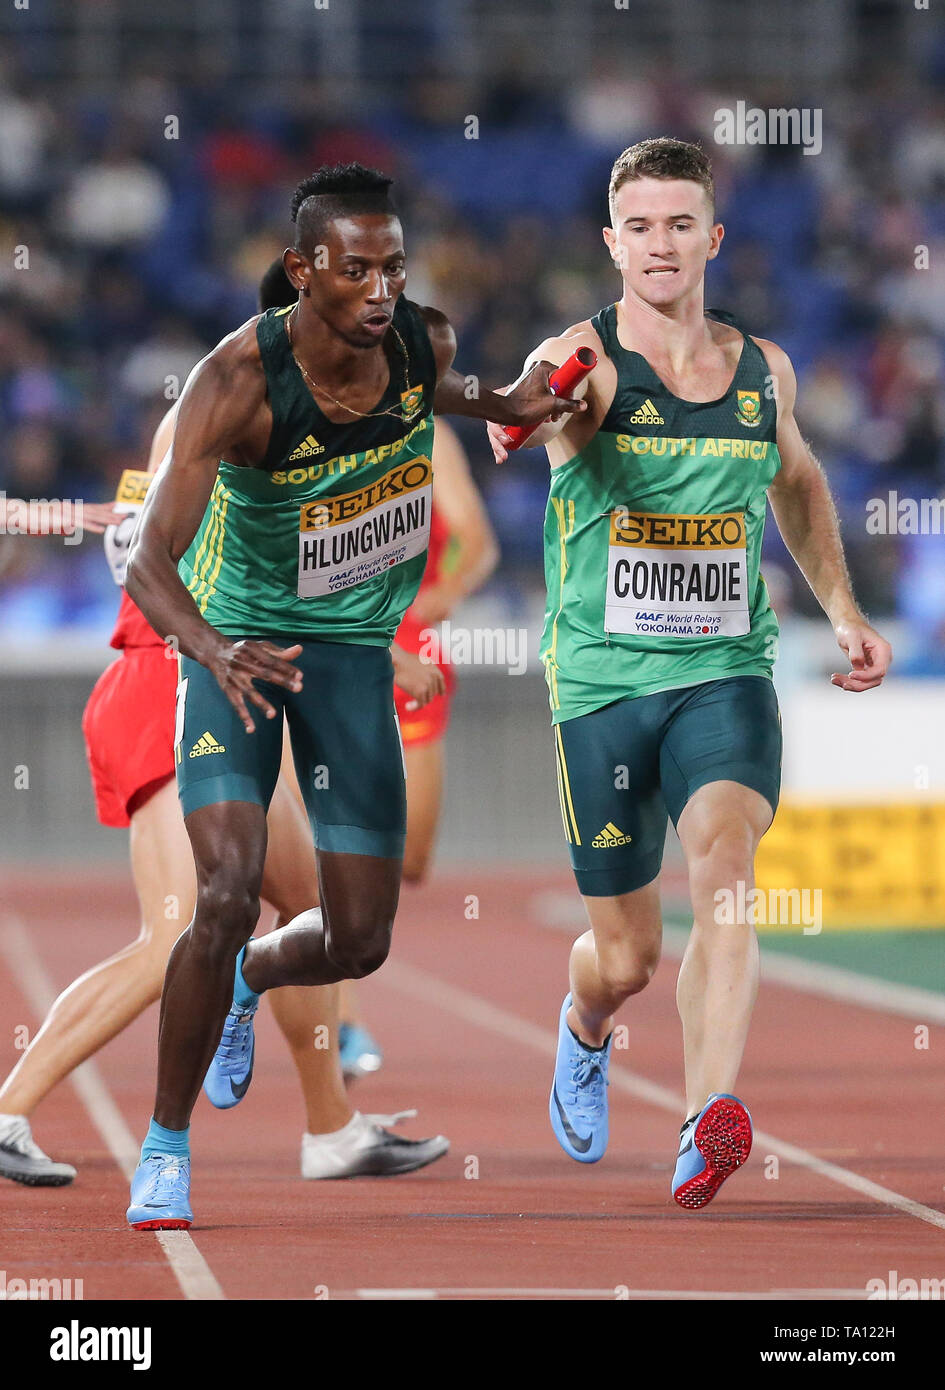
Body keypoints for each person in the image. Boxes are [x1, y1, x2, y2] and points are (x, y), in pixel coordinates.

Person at [122, 162, 580, 1228]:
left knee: (362, 936)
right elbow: (148, 561)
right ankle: (166, 1146)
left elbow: (456, 395)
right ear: (300, 272)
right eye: (357, 270)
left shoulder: (422, 340)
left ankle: (249, 980)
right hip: (240, 646)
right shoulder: (235, 382)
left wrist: (521, 405)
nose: (381, 289)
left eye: (393, 267)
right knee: (227, 887)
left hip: (350, 654)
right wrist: (210, 648)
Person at [487, 137, 891, 1209]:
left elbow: (797, 486)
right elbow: (534, 398)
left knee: (725, 871)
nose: (660, 245)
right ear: (609, 242)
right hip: (605, 684)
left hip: (725, 671)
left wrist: (842, 607)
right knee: (624, 956)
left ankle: (705, 1116)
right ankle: (585, 1027)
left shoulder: (766, 373)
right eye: (640, 227)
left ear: (712, 238)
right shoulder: (585, 357)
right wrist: (525, 407)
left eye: (680, 225)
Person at [0, 258, 449, 1189]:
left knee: (313, 906)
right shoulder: (230, 402)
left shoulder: (307, 421)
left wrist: (374, 647)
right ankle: (7, 1111)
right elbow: (158, 551)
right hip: (169, 680)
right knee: (179, 931)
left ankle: (330, 1124)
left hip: (216, 674)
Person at [339, 418, 499, 1078]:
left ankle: (288, 957)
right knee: (340, 847)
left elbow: (475, 542)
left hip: (417, 648)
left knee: (407, 858)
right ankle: (338, 1018)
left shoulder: (427, 436)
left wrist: (443, 593)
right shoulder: (303, 424)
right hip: (336, 643)